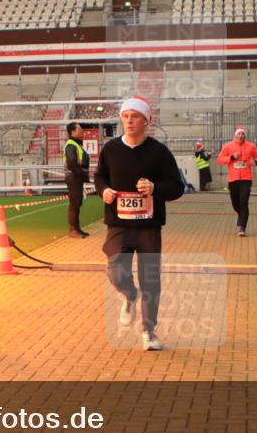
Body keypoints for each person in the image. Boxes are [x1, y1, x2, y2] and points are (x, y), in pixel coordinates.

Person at [94, 95, 184, 351]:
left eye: (135, 116)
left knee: (150, 280)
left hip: (148, 226)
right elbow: (99, 176)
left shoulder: (159, 152)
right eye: (125, 116)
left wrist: (155, 187)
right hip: (118, 224)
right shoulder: (111, 149)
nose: (130, 121)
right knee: (115, 269)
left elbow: (177, 187)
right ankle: (129, 295)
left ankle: (149, 330)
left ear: (147, 120)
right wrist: (104, 191)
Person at [217, 126, 257, 237]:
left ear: (245, 135)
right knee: (236, 204)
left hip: (246, 179)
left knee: (244, 203)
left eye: (243, 134)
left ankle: (242, 227)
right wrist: (231, 158)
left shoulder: (251, 146)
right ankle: (241, 215)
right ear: (235, 135)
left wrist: (255, 162)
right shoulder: (228, 146)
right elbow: (220, 159)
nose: (241, 136)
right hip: (233, 179)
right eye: (239, 134)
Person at [63, 121, 90, 238]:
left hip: (76, 177)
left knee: (77, 203)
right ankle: (73, 230)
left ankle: (77, 229)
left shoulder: (76, 144)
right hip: (74, 177)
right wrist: (81, 175)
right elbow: (72, 164)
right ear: (73, 131)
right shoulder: (71, 145)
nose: (81, 130)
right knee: (74, 204)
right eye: (79, 129)